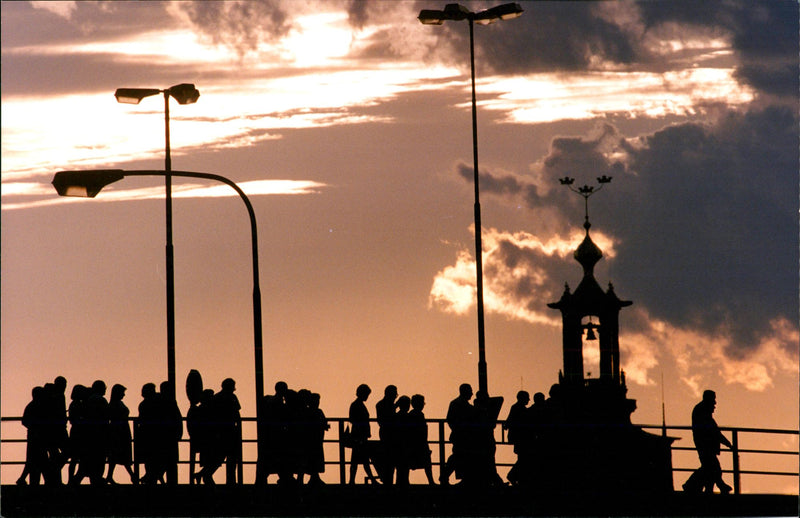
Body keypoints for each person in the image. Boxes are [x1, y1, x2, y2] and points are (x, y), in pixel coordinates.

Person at [683, 390, 733, 494]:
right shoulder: (703, 412)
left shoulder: (701, 410)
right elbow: (714, 432)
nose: (715, 403)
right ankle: (692, 485)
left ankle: (701, 487)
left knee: (709, 469)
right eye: (713, 399)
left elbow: (714, 431)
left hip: (704, 444)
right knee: (713, 468)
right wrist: (727, 443)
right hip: (705, 445)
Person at [440, 383, 475, 485]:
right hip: (462, 436)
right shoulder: (460, 405)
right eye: (470, 391)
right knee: (458, 457)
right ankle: (445, 476)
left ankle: (461, 478)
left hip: (461, 435)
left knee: (460, 457)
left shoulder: (456, 403)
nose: (472, 393)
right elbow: (451, 419)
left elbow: (449, 419)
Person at [348, 384, 379, 484]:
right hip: (359, 436)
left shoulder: (356, 404)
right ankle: (369, 479)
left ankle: (352, 480)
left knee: (357, 459)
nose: (367, 397)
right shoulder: (358, 405)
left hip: (359, 435)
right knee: (362, 459)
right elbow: (354, 419)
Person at [106, 384, 136, 484]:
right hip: (119, 431)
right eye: (122, 392)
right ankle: (132, 475)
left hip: (121, 430)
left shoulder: (116, 403)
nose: (123, 395)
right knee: (120, 454)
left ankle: (111, 476)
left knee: (118, 455)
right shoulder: (115, 405)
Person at [215, 378, 242, 485]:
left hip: (220, 431)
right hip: (230, 431)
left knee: (220, 457)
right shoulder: (232, 397)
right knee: (232, 458)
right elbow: (237, 413)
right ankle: (231, 481)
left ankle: (205, 474)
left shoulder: (216, 397)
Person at [407, 394, 435, 485]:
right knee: (426, 463)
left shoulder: (412, 414)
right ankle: (431, 482)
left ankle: (407, 481)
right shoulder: (418, 415)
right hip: (419, 443)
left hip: (415, 443)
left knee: (412, 462)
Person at [504, 390, 529, 485]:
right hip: (521, 438)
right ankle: (513, 476)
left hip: (517, 437)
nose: (528, 400)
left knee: (522, 457)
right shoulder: (522, 410)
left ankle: (516, 476)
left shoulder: (515, 407)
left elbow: (508, 421)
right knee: (524, 458)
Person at [375, 385, 398, 485]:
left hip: (385, 432)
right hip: (388, 434)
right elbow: (388, 418)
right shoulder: (384, 405)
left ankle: (387, 480)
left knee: (389, 459)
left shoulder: (380, 404)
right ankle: (388, 481)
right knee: (390, 459)